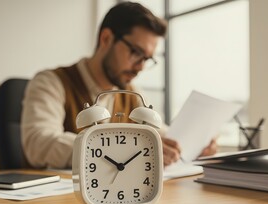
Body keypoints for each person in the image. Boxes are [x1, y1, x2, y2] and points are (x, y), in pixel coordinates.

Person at [21, 1, 217, 169]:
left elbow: (161, 136)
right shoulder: (51, 82)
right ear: (106, 39)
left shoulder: (133, 94)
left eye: (147, 59)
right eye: (135, 52)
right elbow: (39, 143)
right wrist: (118, 149)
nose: (140, 67)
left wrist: (193, 145)